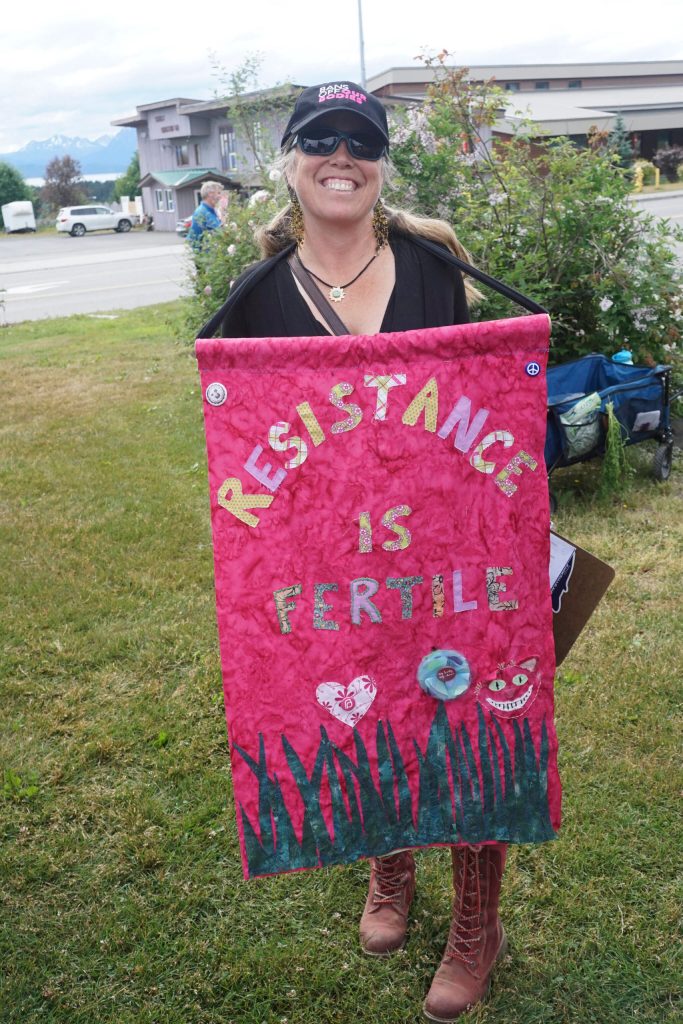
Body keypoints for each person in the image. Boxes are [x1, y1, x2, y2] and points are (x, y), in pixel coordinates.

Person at [219, 81, 508, 1023]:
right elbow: (241, 445)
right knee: (365, 710)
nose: (342, 155)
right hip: (329, 558)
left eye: (362, 142)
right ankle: (390, 863)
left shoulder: (430, 266)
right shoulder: (258, 299)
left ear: (381, 165)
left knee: (462, 717)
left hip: (445, 544)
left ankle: (477, 919)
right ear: (292, 158)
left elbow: (483, 395)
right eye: (321, 138)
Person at [187, 181, 224, 248]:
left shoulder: (213, 212)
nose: (220, 196)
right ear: (210, 194)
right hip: (209, 256)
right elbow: (193, 240)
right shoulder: (201, 213)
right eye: (218, 193)